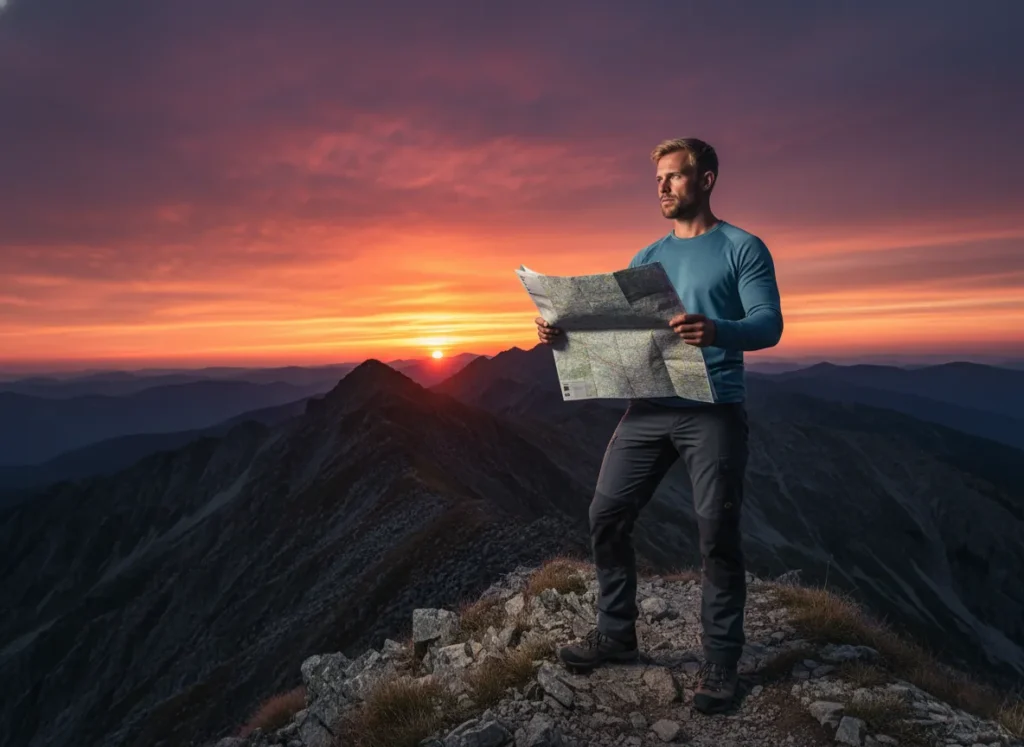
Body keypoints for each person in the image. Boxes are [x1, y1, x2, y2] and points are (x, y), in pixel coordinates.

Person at [535, 137, 783, 714]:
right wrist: (561, 333)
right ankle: (617, 635)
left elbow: (768, 324)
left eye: (673, 177)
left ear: (707, 179)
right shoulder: (647, 255)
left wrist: (717, 330)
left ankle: (721, 662)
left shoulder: (742, 248)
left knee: (716, 534)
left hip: (713, 408)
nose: (662, 188)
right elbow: (621, 333)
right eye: (658, 181)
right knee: (607, 513)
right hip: (649, 405)